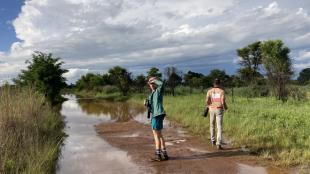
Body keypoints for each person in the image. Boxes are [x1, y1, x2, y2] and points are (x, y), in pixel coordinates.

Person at [146, 77, 169, 161]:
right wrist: (147, 105)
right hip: (155, 115)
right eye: (150, 83)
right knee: (159, 135)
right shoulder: (151, 94)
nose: (151, 84)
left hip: (158, 114)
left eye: (152, 83)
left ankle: (158, 155)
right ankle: (164, 153)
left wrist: (154, 80)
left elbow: (162, 84)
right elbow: (151, 107)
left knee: (156, 135)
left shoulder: (158, 91)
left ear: (155, 83)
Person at [206, 78, 228, 150]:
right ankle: (218, 143)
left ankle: (213, 140)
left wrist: (209, 105)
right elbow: (222, 101)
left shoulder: (209, 91)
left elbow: (207, 101)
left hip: (211, 109)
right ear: (219, 83)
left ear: (213, 84)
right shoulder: (222, 91)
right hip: (219, 109)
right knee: (219, 126)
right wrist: (226, 108)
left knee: (212, 125)